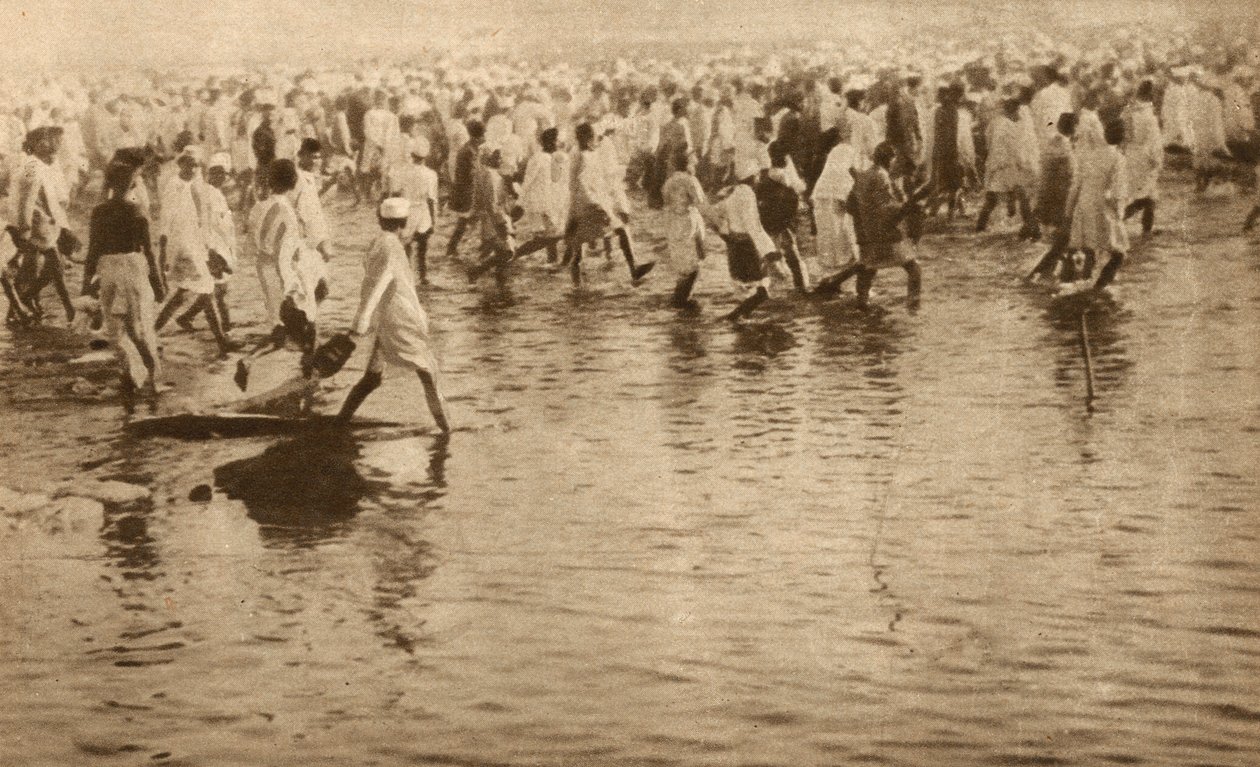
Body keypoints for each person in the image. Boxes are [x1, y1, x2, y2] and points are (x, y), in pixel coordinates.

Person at [337, 197, 450, 433]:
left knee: (372, 378)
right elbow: (380, 283)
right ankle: (447, 432)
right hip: (400, 320)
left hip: (385, 318)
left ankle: (339, 423)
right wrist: (360, 322)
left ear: (380, 220)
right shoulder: (393, 247)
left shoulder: (377, 243)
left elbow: (371, 283)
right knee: (428, 373)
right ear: (405, 222)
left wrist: (364, 320)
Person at [80, 161, 165, 403]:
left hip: (110, 270)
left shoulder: (100, 211)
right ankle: (149, 376)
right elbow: (148, 250)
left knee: (117, 332)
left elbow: (93, 250)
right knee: (135, 331)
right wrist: (157, 283)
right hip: (133, 269)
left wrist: (86, 283)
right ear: (131, 184)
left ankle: (135, 376)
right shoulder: (137, 211)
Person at [154, 146, 235, 357]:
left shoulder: (199, 186)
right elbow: (166, 219)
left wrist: (209, 247)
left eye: (196, 164)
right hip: (181, 244)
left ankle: (151, 332)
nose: (192, 168)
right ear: (180, 163)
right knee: (205, 290)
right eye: (188, 163)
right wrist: (163, 250)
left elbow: (204, 219)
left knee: (182, 293)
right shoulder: (174, 185)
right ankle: (222, 341)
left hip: (195, 243)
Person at [249, 158, 327, 353]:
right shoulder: (286, 210)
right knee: (307, 318)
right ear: (292, 181)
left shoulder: (259, 206)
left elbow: (252, 241)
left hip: (264, 265)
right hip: (282, 268)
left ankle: (250, 360)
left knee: (280, 322)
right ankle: (310, 367)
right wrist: (292, 282)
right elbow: (285, 250)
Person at [564, 122, 654, 286]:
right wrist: (595, 204)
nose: (594, 139)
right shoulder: (579, 155)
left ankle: (577, 286)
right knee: (619, 231)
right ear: (583, 138)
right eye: (591, 136)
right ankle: (633, 269)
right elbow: (576, 183)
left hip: (590, 203)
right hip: (587, 205)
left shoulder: (589, 153)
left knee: (581, 248)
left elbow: (594, 180)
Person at [8, 126, 77, 323]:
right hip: (36, 224)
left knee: (35, 269)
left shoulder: (40, 165)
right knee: (53, 266)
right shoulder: (32, 166)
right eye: (44, 141)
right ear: (34, 145)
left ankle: (20, 305)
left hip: (43, 223)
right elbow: (26, 200)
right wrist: (24, 228)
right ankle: (25, 301)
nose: (50, 145)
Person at [847, 141, 922, 306]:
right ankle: (913, 306)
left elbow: (850, 205)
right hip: (885, 234)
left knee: (867, 270)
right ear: (890, 160)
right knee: (914, 268)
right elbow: (886, 208)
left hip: (866, 233)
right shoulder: (881, 176)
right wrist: (906, 208)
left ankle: (861, 304)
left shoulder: (863, 175)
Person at [704, 159, 774, 322]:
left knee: (748, 289)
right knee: (762, 290)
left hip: (735, 247)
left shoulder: (733, 193)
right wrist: (768, 251)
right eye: (758, 175)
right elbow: (753, 226)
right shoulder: (747, 194)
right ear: (753, 177)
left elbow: (712, 213)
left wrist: (724, 233)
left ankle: (740, 318)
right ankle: (734, 317)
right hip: (747, 247)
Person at [1064, 118, 1129, 289]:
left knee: (1088, 250)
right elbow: (1118, 192)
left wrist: (1068, 213)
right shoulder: (1117, 158)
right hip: (1102, 206)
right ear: (1122, 138)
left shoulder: (1088, 154)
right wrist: (1119, 215)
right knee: (1119, 253)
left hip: (1083, 204)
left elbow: (1075, 186)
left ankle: (1080, 287)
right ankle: (1098, 288)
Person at [175, 152, 235, 332]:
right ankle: (226, 328)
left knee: (215, 290)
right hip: (214, 248)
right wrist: (212, 249)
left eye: (225, 173)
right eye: (220, 173)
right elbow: (206, 224)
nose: (224, 177)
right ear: (212, 175)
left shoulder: (217, 194)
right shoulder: (208, 194)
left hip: (222, 246)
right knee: (219, 290)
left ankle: (186, 317)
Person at [976, 97, 1039, 239]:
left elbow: (987, 142)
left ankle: (981, 225)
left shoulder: (995, 123)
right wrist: (1023, 164)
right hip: (1006, 166)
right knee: (1021, 195)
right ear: (1014, 110)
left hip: (996, 164)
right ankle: (1032, 228)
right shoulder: (1008, 126)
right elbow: (1014, 150)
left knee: (992, 198)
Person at [810, 124, 860, 294]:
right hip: (837, 196)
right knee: (844, 240)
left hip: (823, 195)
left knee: (829, 240)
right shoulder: (848, 150)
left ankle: (832, 281)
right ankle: (841, 285)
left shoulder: (837, 151)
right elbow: (854, 174)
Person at [1027, 112, 1078, 281]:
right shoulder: (1065, 150)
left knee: (1062, 245)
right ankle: (1039, 276)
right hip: (1059, 203)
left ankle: (1048, 275)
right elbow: (1068, 179)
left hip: (1046, 201)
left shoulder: (1052, 144)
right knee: (1064, 244)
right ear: (1074, 128)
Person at [384, 135, 439, 283]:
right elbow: (432, 200)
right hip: (423, 213)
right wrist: (434, 220)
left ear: (412, 154)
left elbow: (395, 193)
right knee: (423, 247)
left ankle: (406, 275)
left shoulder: (401, 171)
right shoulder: (431, 174)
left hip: (405, 211)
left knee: (406, 245)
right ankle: (423, 276)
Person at [659, 145, 708, 309]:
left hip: (673, 223)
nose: (696, 162)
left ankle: (680, 301)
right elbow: (701, 204)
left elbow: (665, 203)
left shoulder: (669, 181)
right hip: (688, 223)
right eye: (693, 160)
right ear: (687, 163)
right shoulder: (689, 180)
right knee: (694, 267)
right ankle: (681, 301)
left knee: (684, 268)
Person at [514, 127, 569, 263]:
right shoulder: (538, 158)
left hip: (549, 203)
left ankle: (552, 262)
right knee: (548, 237)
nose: (561, 144)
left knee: (550, 236)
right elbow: (527, 182)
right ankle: (511, 256)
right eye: (558, 141)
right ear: (551, 142)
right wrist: (520, 203)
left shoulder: (554, 158)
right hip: (539, 204)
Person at [1122, 80, 1162, 236]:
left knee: (1144, 195)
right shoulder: (1147, 113)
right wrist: (1156, 159)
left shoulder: (1128, 110)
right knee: (1147, 197)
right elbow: (1153, 140)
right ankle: (1120, 221)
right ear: (1150, 94)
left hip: (1131, 155)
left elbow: (1124, 135)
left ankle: (1145, 229)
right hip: (1145, 156)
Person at [444, 119, 485, 258]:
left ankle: (454, 246)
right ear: (479, 136)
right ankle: (452, 247)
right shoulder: (469, 151)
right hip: (468, 191)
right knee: (466, 220)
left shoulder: (469, 148)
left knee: (469, 220)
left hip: (467, 190)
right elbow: (472, 174)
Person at [294, 138, 336, 262]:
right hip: (308, 236)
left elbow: (313, 203)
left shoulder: (309, 177)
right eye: (312, 157)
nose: (316, 161)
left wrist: (328, 186)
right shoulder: (298, 178)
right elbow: (302, 212)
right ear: (301, 156)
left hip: (315, 235)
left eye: (318, 158)